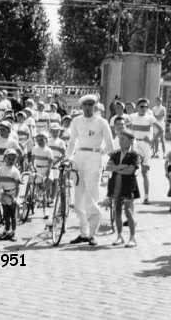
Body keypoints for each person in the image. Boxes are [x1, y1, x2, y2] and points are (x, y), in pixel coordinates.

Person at [65, 94, 114, 246]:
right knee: (78, 197)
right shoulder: (76, 121)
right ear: (81, 106)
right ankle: (83, 232)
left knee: (92, 197)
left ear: (95, 106)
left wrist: (100, 154)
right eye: (85, 104)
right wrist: (68, 157)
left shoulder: (101, 122)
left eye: (91, 104)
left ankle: (93, 234)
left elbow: (110, 145)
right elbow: (72, 141)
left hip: (94, 157)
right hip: (79, 157)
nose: (88, 107)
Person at [106, 129, 140, 247]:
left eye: (124, 139)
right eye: (120, 139)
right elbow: (108, 167)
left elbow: (131, 170)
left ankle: (132, 237)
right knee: (117, 211)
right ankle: (119, 236)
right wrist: (121, 167)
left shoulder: (134, 155)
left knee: (128, 212)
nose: (121, 141)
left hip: (128, 186)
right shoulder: (115, 153)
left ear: (130, 141)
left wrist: (116, 167)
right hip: (115, 185)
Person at [129, 98, 161, 204]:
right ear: (137, 107)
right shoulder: (132, 117)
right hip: (134, 145)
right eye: (142, 106)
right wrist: (129, 139)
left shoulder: (150, 118)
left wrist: (152, 140)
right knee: (131, 170)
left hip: (145, 146)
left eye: (146, 107)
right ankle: (130, 194)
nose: (144, 108)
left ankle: (146, 197)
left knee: (145, 172)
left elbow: (161, 129)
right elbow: (125, 127)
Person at [0, 148, 22, 240]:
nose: (11, 161)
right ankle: (6, 230)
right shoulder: (0, 169)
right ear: (4, 158)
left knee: (12, 215)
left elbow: (18, 186)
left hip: (11, 195)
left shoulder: (15, 171)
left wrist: (16, 197)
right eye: (9, 158)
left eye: (13, 159)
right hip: (3, 195)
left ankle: (13, 232)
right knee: (6, 214)